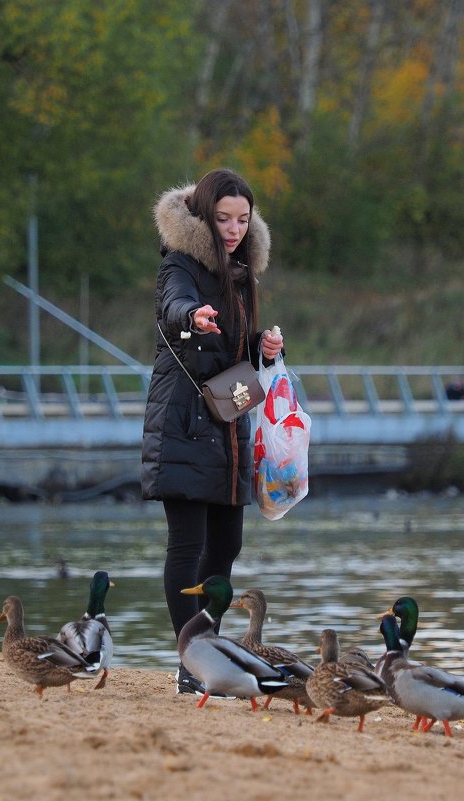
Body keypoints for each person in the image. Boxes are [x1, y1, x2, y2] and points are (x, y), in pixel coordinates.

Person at [141, 168, 284, 694]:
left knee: (226, 546)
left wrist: (266, 351)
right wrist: (191, 317)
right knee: (187, 546)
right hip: (183, 422)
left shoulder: (243, 274)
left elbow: (236, 359)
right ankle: (191, 663)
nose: (233, 229)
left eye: (243, 220)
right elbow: (172, 306)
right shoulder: (179, 264)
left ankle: (209, 658)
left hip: (228, 426)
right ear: (204, 214)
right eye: (223, 218)